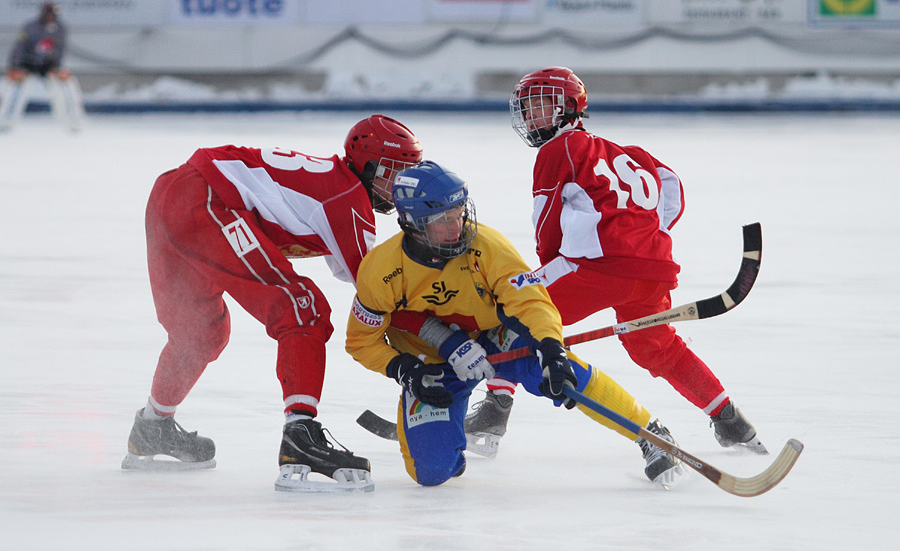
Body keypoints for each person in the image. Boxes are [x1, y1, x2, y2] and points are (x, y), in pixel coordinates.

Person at [467, 66, 766, 457]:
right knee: (656, 347)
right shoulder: (632, 154)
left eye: (541, 106)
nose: (530, 116)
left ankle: (494, 410)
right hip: (652, 270)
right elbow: (671, 187)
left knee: (512, 310)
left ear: (569, 108)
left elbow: (547, 225)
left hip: (595, 268)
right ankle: (730, 421)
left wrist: (545, 278)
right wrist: (642, 236)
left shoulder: (557, 150)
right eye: (527, 107)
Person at [121, 115, 423, 493]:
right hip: (207, 198)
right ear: (368, 165)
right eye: (393, 173)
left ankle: (152, 426)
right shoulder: (349, 198)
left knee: (199, 333)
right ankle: (301, 436)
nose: (400, 187)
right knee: (304, 310)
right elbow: (379, 292)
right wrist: (434, 348)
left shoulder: (337, 186)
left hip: (173, 192)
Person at [345, 160, 686, 488]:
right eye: (443, 220)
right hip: (432, 365)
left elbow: (531, 301)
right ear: (413, 224)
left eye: (459, 213)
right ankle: (443, 437)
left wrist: (551, 349)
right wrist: (405, 369)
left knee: (564, 375)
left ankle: (649, 432)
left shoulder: (487, 247)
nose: (458, 225)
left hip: (494, 337)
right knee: (431, 472)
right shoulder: (381, 270)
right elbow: (361, 341)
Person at [0, 1, 84, 132]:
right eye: (47, 14)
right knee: (15, 90)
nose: (49, 17)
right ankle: (6, 121)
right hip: (27, 63)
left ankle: (72, 121)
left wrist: (57, 67)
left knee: (66, 86)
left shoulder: (60, 28)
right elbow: (19, 47)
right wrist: (15, 66)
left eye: (52, 14)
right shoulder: (30, 27)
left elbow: (61, 49)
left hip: (48, 65)